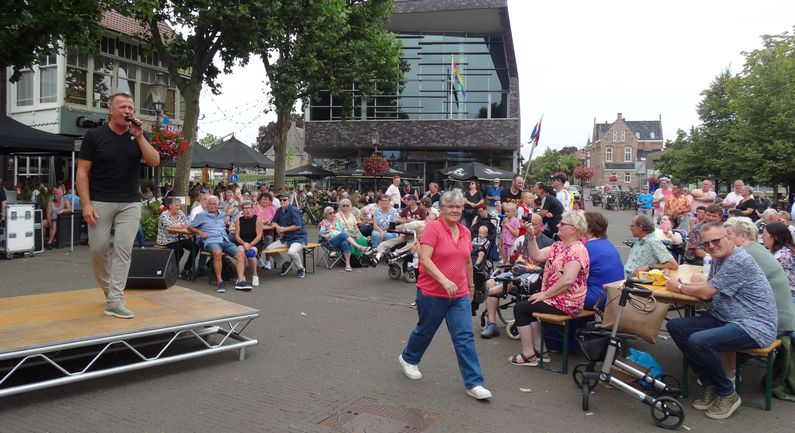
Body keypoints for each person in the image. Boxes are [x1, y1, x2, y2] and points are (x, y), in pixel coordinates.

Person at [665, 222, 777, 420]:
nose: (711, 246)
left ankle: (727, 393)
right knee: (676, 326)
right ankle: (710, 383)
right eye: (706, 244)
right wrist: (689, 286)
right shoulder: (719, 258)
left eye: (716, 240)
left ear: (729, 237)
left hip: (754, 325)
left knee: (699, 340)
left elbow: (707, 292)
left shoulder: (739, 260)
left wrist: (679, 288)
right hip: (726, 318)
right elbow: (711, 287)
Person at [398, 190, 492, 400]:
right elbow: (425, 258)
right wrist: (444, 280)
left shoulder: (466, 232)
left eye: (458, 207)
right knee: (426, 330)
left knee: (464, 336)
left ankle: (474, 383)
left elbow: (467, 261)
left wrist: (469, 287)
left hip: (459, 294)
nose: (455, 210)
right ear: (441, 209)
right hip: (432, 292)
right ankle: (408, 358)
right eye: (450, 206)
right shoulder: (433, 228)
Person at [76, 92, 160, 319]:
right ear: (111, 111)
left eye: (131, 107)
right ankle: (109, 291)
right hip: (100, 200)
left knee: (123, 250)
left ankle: (115, 299)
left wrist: (140, 137)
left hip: (130, 202)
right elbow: (82, 172)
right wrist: (85, 204)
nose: (127, 111)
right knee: (97, 250)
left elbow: (154, 161)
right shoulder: (94, 136)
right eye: (122, 107)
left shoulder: (137, 137)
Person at [507, 211, 589, 366]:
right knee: (527, 304)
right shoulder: (558, 245)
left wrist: (544, 294)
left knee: (520, 308)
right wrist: (531, 236)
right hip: (556, 298)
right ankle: (541, 351)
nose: (558, 225)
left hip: (567, 302)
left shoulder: (577, 249)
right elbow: (536, 255)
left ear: (574, 229)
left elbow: (568, 280)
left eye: (563, 223)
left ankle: (529, 354)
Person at [480, 213, 554, 338]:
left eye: (533, 225)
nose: (529, 228)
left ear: (541, 226)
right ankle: (492, 323)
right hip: (516, 271)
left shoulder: (549, 243)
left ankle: (493, 290)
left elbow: (548, 267)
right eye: (527, 225)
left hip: (533, 275)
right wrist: (505, 270)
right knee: (491, 281)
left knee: (507, 283)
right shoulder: (520, 240)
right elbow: (512, 259)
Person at [724, 217, 794, 339]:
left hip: (774, 319)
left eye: (728, 235)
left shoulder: (750, 254)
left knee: (708, 334)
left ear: (742, 236)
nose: (725, 239)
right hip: (775, 313)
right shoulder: (758, 250)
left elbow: (724, 285)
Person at [189, 196, 252, 292]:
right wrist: (200, 232)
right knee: (217, 253)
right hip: (210, 240)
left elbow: (227, 208)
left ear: (217, 205)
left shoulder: (222, 214)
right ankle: (220, 281)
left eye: (214, 204)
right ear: (206, 205)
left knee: (241, 255)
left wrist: (235, 198)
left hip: (224, 239)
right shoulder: (201, 215)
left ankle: (240, 281)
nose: (212, 206)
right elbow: (190, 227)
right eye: (210, 204)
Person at [583, 212, 624, 309]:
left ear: (588, 227)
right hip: (614, 295)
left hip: (596, 297)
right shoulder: (608, 244)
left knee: (556, 299)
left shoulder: (587, 248)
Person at [266, 192, 309, 278]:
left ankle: (300, 268)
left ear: (289, 200)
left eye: (284, 200)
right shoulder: (279, 210)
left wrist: (284, 229)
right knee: (268, 249)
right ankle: (285, 264)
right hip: (286, 239)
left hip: (298, 238)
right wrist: (278, 227)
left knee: (291, 252)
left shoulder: (294, 210)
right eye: (280, 200)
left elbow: (298, 225)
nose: (282, 201)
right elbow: (273, 222)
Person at [156, 197, 195, 280]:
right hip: (167, 238)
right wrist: (181, 226)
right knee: (178, 249)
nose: (178, 207)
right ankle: (174, 270)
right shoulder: (164, 214)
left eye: (179, 205)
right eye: (176, 205)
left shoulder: (180, 213)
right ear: (170, 206)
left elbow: (187, 223)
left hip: (181, 236)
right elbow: (169, 226)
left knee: (195, 247)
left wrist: (180, 226)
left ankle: (187, 268)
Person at [319, 206, 368, 271]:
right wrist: (325, 235)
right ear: (326, 215)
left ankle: (348, 265)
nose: (333, 214)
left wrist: (352, 235)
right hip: (330, 242)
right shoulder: (324, 223)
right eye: (330, 213)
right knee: (342, 234)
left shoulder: (338, 222)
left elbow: (344, 232)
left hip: (341, 240)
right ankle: (359, 247)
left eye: (333, 212)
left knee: (345, 242)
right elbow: (321, 233)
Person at [234, 200, 264, 286]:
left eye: (249, 208)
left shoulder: (258, 219)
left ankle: (255, 275)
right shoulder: (239, 220)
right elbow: (236, 236)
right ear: (242, 210)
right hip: (242, 241)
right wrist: (244, 244)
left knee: (250, 253)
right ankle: (241, 275)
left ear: (252, 209)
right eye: (245, 208)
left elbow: (259, 236)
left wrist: (250, 244)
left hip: (255, 242)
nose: (247, 210)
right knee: (240, 252)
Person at [762, 223, 795, 300]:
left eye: (765, 235)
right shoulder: (785, 249)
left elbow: (763, 273)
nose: (762, 237)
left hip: (788, 296)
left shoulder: (782, 255)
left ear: (775, 237)